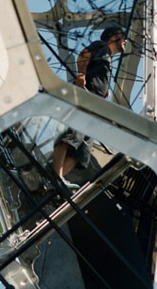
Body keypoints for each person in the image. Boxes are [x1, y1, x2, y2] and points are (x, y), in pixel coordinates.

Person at [51, 26, 127, 188]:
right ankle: (55, 175)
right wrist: (81, 75)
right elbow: (83, 55)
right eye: (123, 36)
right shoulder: (101, 46)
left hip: (94, 106)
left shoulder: (108, 58)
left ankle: (57, 180)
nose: (125, 41)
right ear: (113, 37)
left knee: (82, 151)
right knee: (71, 134)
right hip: (86, 97)